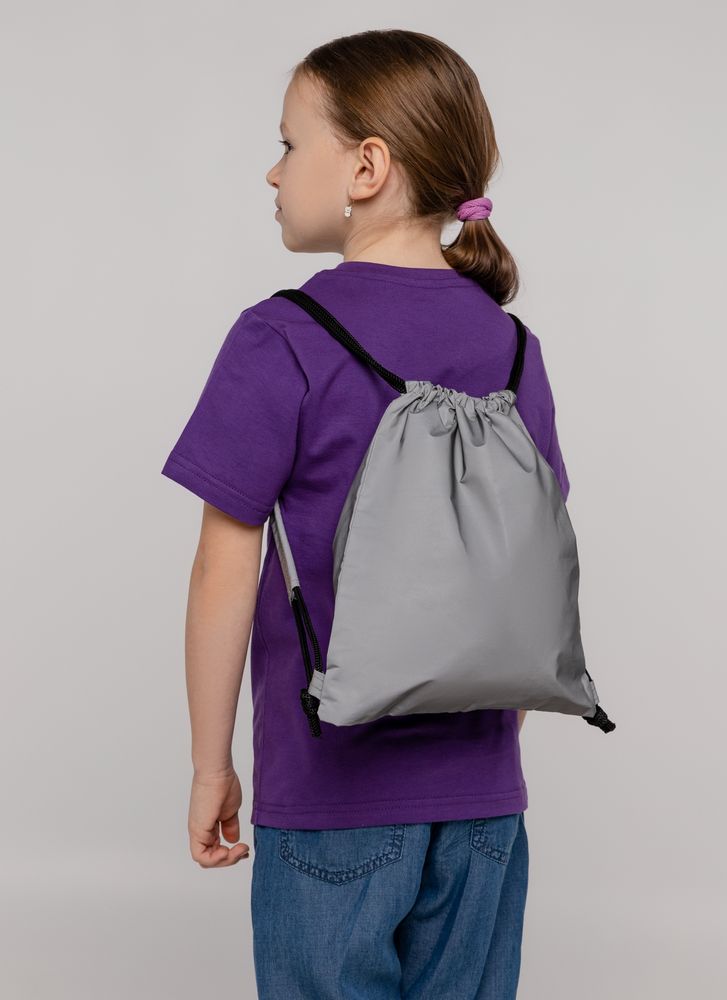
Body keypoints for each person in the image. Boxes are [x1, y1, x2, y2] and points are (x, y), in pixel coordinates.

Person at [161, 28, 570, 1000]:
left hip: (330, 798)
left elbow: (224, 570)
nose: (273, 170)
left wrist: (212, 765)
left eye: (289, 143)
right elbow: (530, 570)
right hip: (485, 807)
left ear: (366, 167)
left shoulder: (281, 336)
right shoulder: (513, 347)